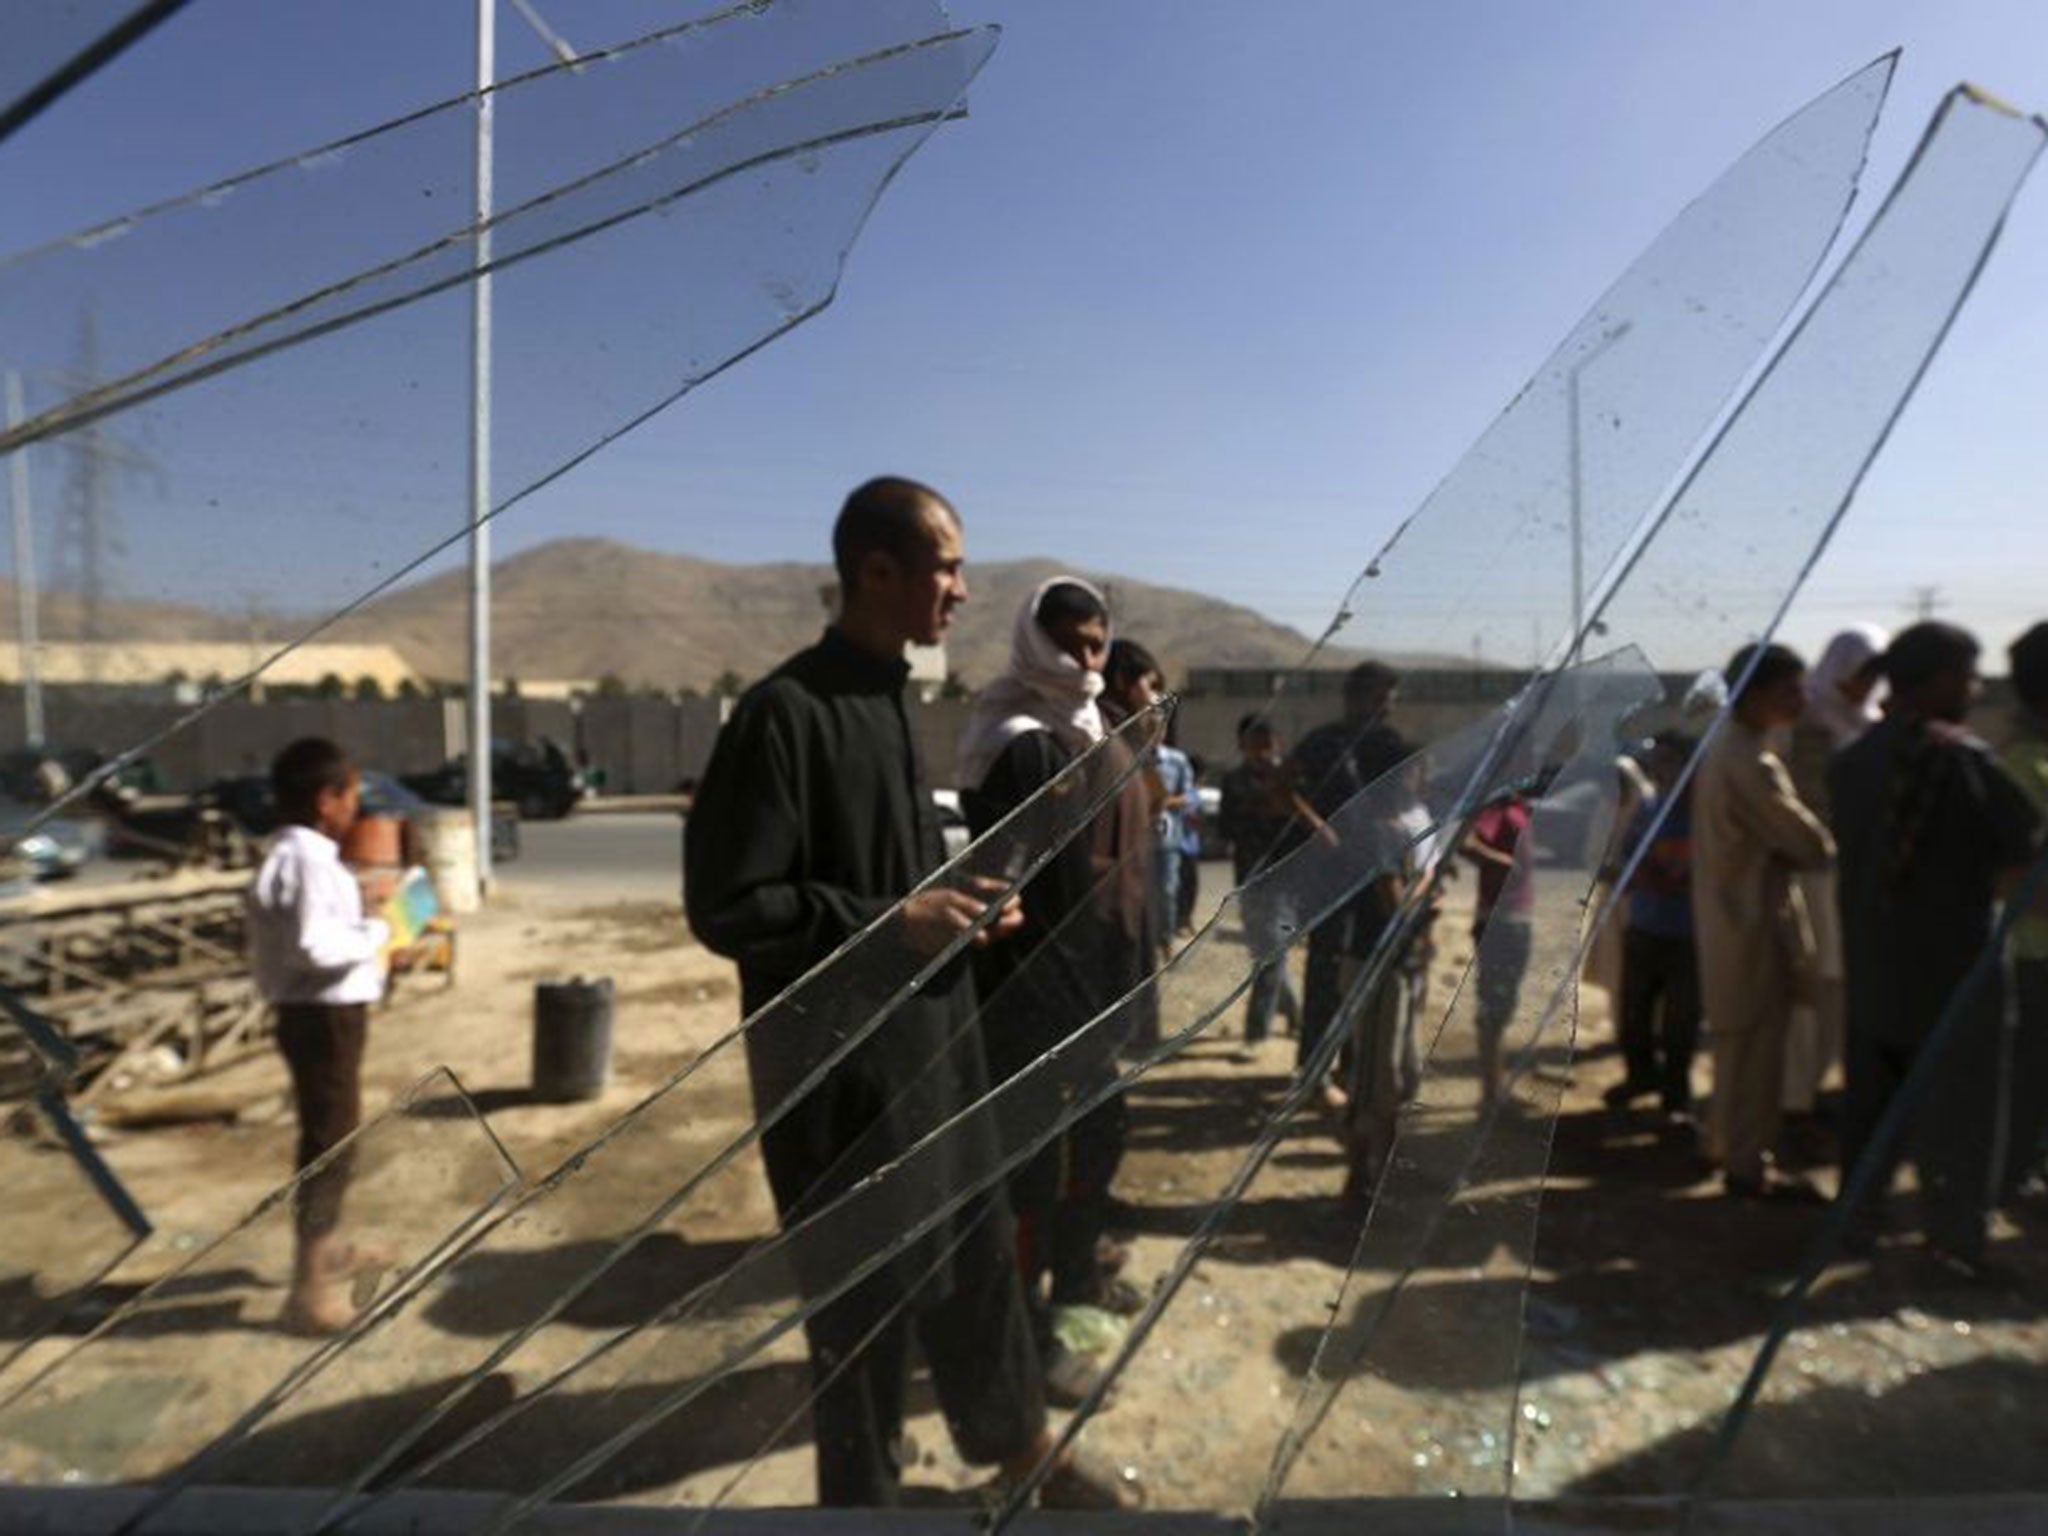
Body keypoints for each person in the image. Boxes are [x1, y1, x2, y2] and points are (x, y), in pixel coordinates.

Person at [684, 477, 1133, 1509]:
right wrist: (895, 924)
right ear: (874, 571)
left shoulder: (893, 700)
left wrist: (960, 908)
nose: (963, 592)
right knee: (863, 1321)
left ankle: (1021, 1456)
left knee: (976, 1267)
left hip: (937, 1055)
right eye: (945, 567)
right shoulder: (781, 716)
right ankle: (862, 1507)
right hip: (841, 1092)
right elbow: (728, 905)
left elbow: (888, 878)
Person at [956, 577, 1141, 1403]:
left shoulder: (1080, 733)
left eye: (1096, 644)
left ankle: (1039, 1326)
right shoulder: (1025, 743)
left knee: (1068, 1165)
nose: (1085, 660)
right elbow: (1020, 898)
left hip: (1075, 1000)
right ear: (1036, 644)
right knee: (1030, 1184)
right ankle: (1023, 1354)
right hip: (1033, 1007)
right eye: (1069, 644)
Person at [1832, 622, 2042, 1273]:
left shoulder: (1852, 762)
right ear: (1942, 679)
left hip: (1875, 965)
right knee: (1966, 1116)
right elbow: (2021, 878)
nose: (1976, 689)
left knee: (1873, 1104)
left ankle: (1855, 1220)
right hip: (1960, 973)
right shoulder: (1971, 764)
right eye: (1969, 675)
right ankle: (1955, 1241)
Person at [246, 737, 391, 1336]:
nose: (357, 806)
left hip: (316, 1013)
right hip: (324, 1015)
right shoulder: (307, 860)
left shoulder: (292, 854)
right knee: (329, 1142)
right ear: (326, 799)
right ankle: (308, 1292)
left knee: (334, 1130)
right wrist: (377, 933)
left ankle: (326, 1248)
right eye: (351, 795)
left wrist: (363, 919)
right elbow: (313, 946)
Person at [1692, 643, 1834, 1200]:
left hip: (1730, 919)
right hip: (1752, 923)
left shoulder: (1724, 748)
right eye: (1789, 690)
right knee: (1757, 1048)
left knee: (1737, 1044)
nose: (1801, 700)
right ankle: (1748, 1164)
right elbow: (1810, 843)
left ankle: (1727, 1146)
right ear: (1754, 694)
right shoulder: (1752, 760)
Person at [1286, 661, 1414, 1113]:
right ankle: (1314, 1075)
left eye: (1390, 697)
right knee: (1325, 974)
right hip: (1327, 877)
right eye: (1381, 695)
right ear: (1356, 695)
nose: (1387, 705)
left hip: (1374, 873)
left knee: (1367, 973)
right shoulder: (1321, 742)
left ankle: (1357, 1070)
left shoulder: (1390, 744)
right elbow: (1287, 786)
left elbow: (1402, 808)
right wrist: (1316, 825)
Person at [1782, 624, 1888, 1118]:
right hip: (1813, 871)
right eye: (1861, 673)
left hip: (1855, 871)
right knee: (1815, 978)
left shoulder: (1869, 722)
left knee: (1843, 983)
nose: (1865, 686)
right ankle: (1797, 1095)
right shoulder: (1807, 719)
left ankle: (1825, 1085)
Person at [1606, 732, 1702, 1128]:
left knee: (1681, 1022)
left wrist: (1677, 880)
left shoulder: (1704, 813)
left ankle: (1675, 1094)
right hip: (1645, 927)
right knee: (1635, 1014)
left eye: (1670, 761)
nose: (1661, 769)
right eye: (1658, 761)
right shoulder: (1647, 808)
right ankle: (1639, 1076)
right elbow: (1628, 857)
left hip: (1688, 936)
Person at [1218, 716, 1303, 1043]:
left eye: (1268, 744)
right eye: (1255, 745)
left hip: (1285, 882)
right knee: (1266, 952)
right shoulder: (1235, 782)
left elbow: (1302, 829)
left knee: (1271, 955)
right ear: (1243, 747)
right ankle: (1294, 1011)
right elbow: (1226, 828)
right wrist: (1257, 808)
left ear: (1278, 744)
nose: (1263, 753)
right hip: (1251, 880)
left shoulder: (1291, 781)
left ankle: (1256, 1031)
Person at [1101, 639, 1168, 1051]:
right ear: (1124, 681)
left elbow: (1154, 801)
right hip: (1110, 903)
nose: (1157, 698)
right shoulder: (1102, 737)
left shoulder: (1129, 742)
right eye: (1151, 685)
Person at [2000, 621, 2048, 1190]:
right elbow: (2021, 884)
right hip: (2034, 953)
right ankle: (2017, 1172)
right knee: (2031, 1074)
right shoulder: (2022, 767)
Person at [1460, 785, 1535, 1108]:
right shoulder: (1494, 808)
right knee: (1494, 1005)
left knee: (1502, 1006)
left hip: (1515, 917)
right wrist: (1504, 862)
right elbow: (1465, 843)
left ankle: (1495, 1087)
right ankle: (1491, 1092)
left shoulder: (1516, 804)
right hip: (1499, 920)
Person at [1152, 727, 1200, 947]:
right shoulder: (1132, 758)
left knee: (1167, 889)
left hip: (1167, 838)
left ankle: (1166, 938)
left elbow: (1189, 797)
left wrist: (1166, 802)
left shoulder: (1176, 761)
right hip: (1136, 839)